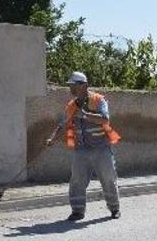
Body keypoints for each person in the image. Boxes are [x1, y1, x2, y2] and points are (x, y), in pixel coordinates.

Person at [45, 72, 122, 221]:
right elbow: (62, 124)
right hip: (81, 150)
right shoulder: (72, 106)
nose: (71, 89)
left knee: (108, 178)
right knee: (77, 180)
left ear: (84, 85)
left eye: (73, 85)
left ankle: (114, 208)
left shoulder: (98, 100)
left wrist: (85, 114)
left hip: (101, 148)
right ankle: (78, 211)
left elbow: (105, 119)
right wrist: (52, 137)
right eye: (70, 86)